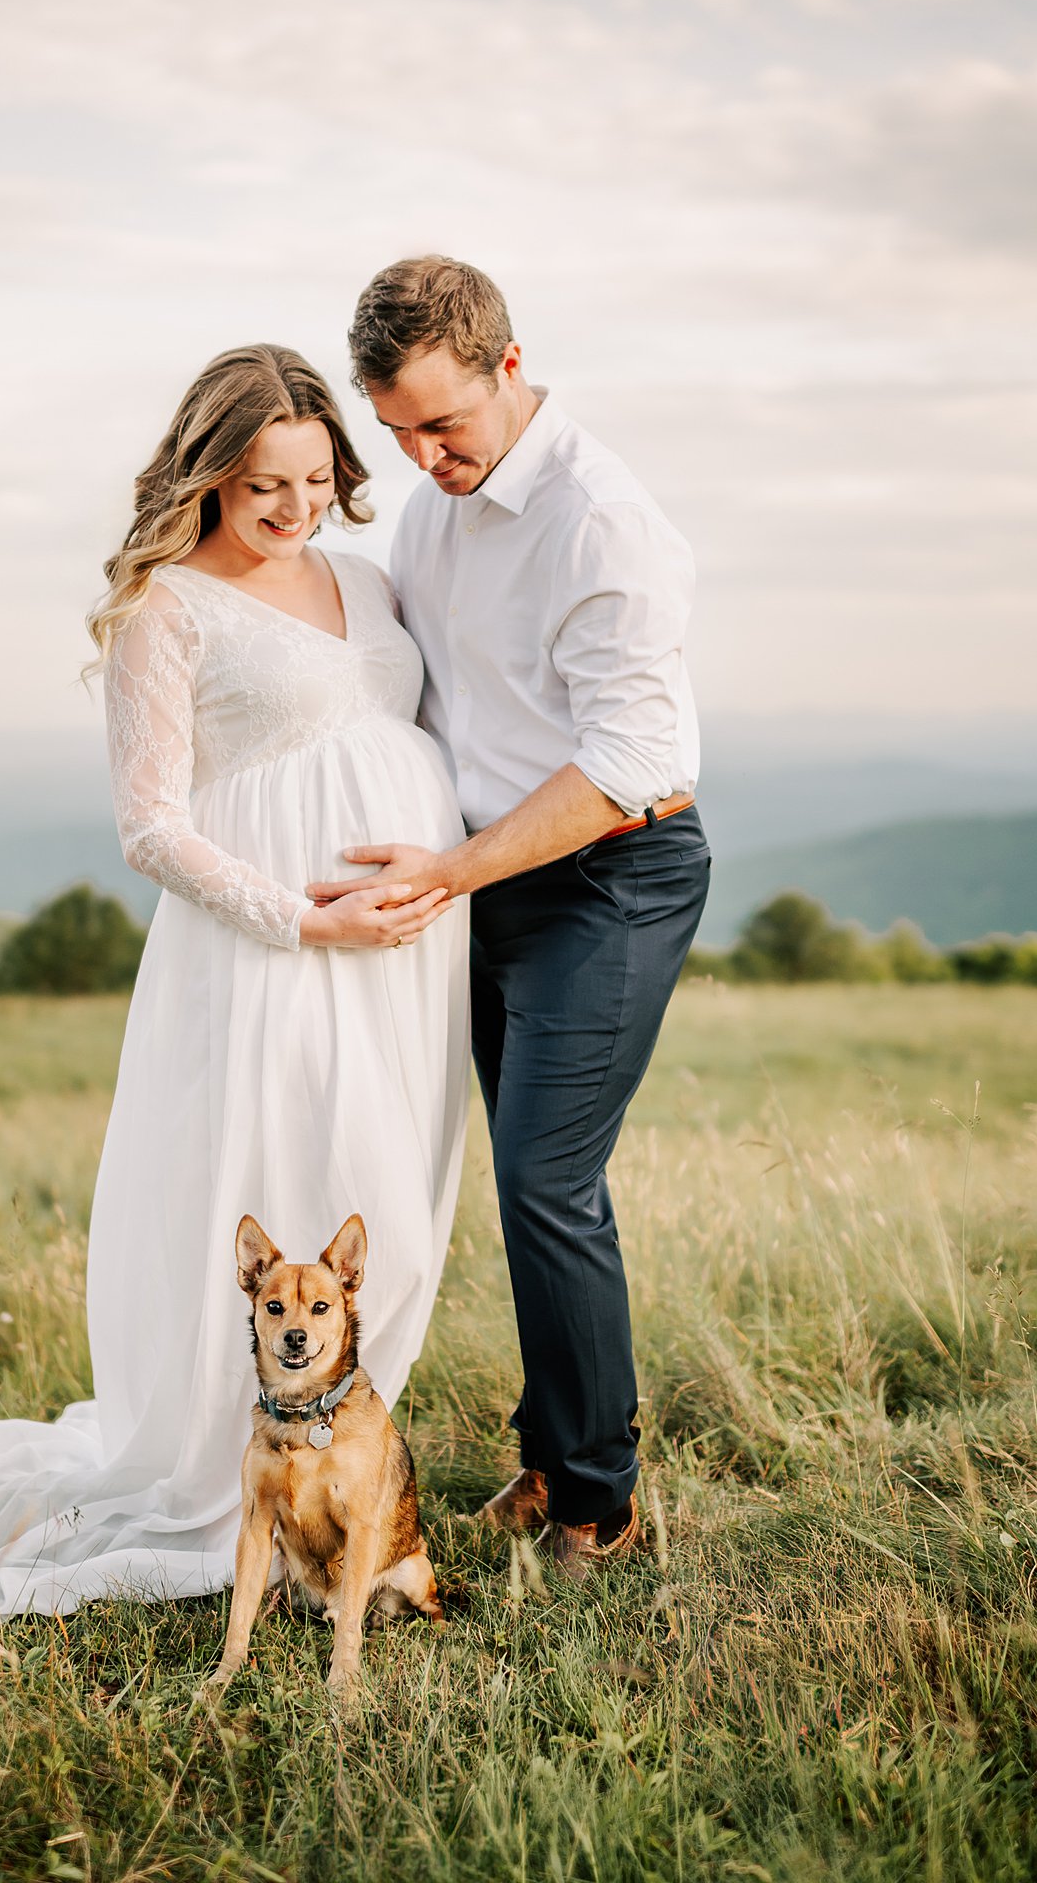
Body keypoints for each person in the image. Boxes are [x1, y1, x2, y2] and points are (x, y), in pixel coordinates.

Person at [0, 344, 469, 1622]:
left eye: (317, 477)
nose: (294, 507)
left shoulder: (368, 582)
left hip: (405, 960)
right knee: (282, 1177)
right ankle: (236, 1489)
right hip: (269, 955)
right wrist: (304, 919)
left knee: (387, 1200)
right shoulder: (169, 606)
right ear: (207, 472)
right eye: (264, 482)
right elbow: (151, 827)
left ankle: (335, 1470)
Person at [309, 258, 709, 1579]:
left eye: (444, 424)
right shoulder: (432, 508)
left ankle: (597, 1500)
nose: (422, 457)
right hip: (481, 874)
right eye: (396, 431)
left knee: (548, 1179)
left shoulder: (602, 522)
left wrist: (454, 870)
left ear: (510, 365)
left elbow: (625, 763)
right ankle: (546, 1459)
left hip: (608, 877)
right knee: (520, 1179)